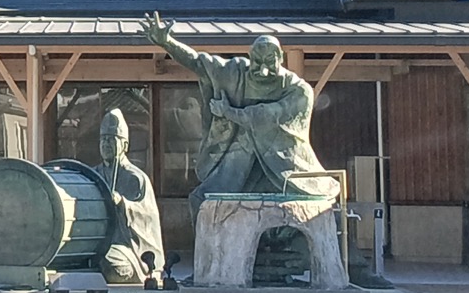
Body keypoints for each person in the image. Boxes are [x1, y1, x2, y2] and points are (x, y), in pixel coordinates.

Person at [140, 12, 337, 221]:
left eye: (270, 62)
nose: (263, 70)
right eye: (257, 62)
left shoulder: (298, 90)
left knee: (298, 211)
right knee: (203, 199)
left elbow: (264, 117)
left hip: (283, 166)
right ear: (250, 57)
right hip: (239, 159)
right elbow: (198, 63)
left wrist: (228, 112)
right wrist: (167, 43)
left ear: (281, 58)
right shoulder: (234, 73)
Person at [92, 108, 165, 284]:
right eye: (103, 139)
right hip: (97, 240)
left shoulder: (135, 178)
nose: (106, 143)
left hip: (127, 247)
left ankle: (141, 268)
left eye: (111, 139)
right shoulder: (94, 174)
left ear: (124, 145)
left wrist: (122, 203)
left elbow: (147, 216)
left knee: (108, 261)